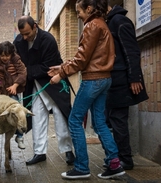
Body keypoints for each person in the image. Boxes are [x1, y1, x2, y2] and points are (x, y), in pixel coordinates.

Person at [48, 0, 125, 179]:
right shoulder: (102, 24)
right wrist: (61, 68)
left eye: (79, 12)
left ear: (89, 9)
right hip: (104, 79)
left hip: (93, 80)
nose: (78, 15)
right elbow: (87, 57)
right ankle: (114, 164)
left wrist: (61, 75)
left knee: (75, 120)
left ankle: (82, 167)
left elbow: (82, 59)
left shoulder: (92, 25)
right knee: (99, 122)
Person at [13, 16, 75, 166]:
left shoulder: (48, 39)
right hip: (34, 85)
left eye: (27, 33)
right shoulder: (18, 42)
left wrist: (25, 71)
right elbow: (16, 62)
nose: (25, 37)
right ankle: (39, 152)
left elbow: (47, 66)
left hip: (52, 83)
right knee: (37, 117)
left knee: (60, 117)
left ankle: (68, 150)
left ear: (35, 26)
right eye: (22, 34)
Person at [106, 4, 149, 170]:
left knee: (118, 121)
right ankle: (117, 158)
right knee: (113, 120)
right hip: (113, 81)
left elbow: (131, 50)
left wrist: (134, 78)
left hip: (123, 80)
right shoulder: (110, 22)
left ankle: (125, 160)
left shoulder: (120, 21)